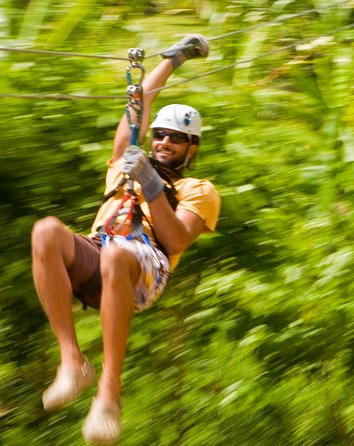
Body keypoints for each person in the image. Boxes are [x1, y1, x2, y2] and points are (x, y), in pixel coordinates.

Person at [31, 34, 221, 444]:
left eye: (176, 138)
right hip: (99, 249)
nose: (164, 142)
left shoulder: (199, 190)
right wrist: (175, 58)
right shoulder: (125, 163)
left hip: (143, 267)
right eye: (161, 135)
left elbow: (174, 242)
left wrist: (152, 185)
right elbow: (139, 106)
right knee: (46, 231)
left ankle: (109, 392)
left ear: (191, 148)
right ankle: (72, 362)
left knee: (118, 256)